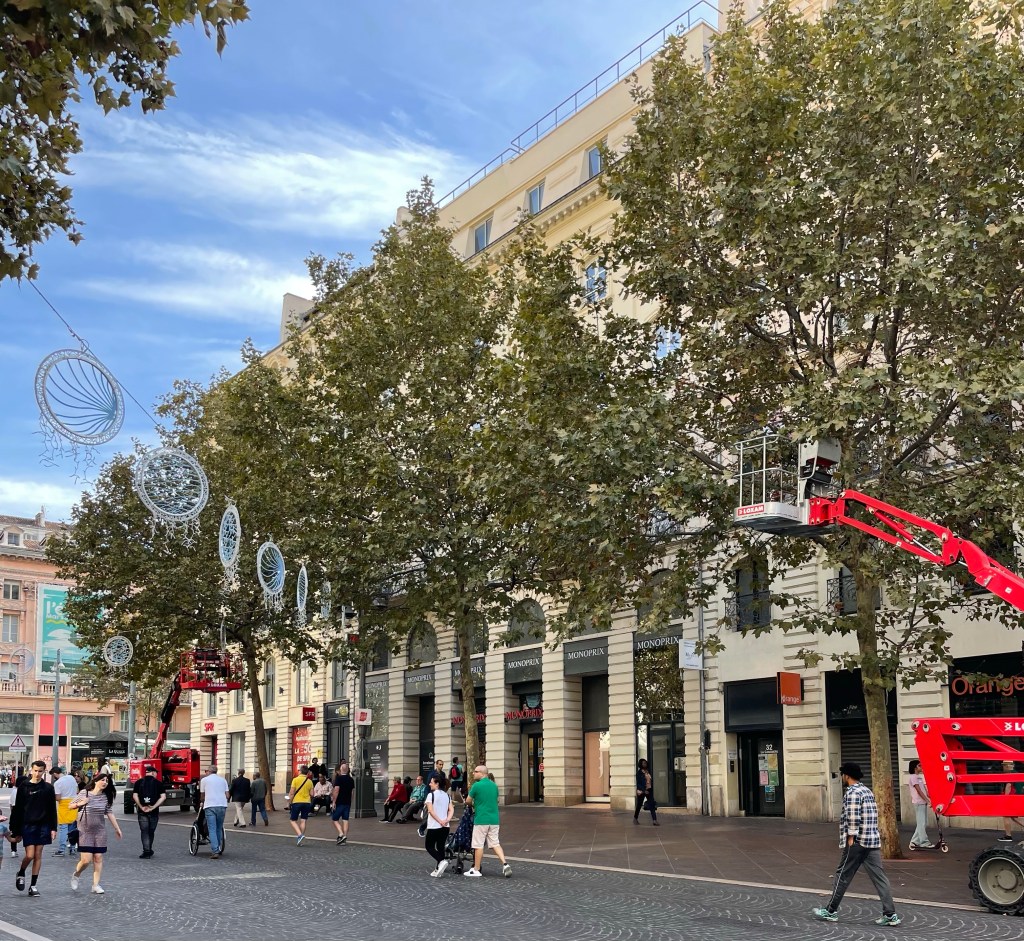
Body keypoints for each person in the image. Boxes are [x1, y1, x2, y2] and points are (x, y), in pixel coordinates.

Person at [812, 761, 900, 926]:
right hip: (872, 840)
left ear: (846, 776)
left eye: (842, 775)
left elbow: (853, 817)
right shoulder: (867, 790)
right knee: (880, 878)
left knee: (842, 875)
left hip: (858, 841)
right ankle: (890, 914)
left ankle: (831, 910)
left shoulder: (852, 792)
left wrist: (850, 838)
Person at [9, 760, 57, 896]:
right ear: (31, 770)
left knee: (38, 855)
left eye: (40, 771)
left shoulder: (48, 788)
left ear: (44, 771)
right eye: (35, 770)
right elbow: (18, 809)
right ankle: (21, 872)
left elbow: (52, 809)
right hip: (28, 824)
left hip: (43, 825)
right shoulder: (24, 786)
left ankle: (33, 886)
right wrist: (15, 830)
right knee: (29, 855)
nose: (37, 773)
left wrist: (53, 828)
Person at [69, 771, 122, 894]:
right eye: (102, 780)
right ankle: (77, 874)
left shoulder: (105, 797)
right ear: (96, 781)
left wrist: (117, 828)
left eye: (107, 781)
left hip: (100, 831)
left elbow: (109, 812)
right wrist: (81, 803)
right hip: (85, 831)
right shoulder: (85, 792)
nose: (105, 782)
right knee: (86, 860)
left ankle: (95, 885)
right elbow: (70, 806)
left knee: (98, 858)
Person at [464, 763, 512, 878]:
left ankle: (476, 869)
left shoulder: (476, 786)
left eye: (476, 771)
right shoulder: (494, 786)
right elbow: (496, 800)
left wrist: (474, 804)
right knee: (495, 843)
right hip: (494, 819)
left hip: (481, 819)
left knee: (478, 845)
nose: (473, 773)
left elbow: (468, 801)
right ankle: (505, 864)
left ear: (482, 773)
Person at [132, 764, 167, 858]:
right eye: (156, 773)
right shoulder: (158, 783)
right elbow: (163, 797)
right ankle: (149, 849)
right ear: (153, 773)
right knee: (151, 831)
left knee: (144, 831)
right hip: (153, 811)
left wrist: (141, 806)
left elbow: (135, 796)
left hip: (142, 810)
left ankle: (147, 851)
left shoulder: (138, 782)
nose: (156, 774)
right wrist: (153, 807)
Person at [424, 772, 453, 877]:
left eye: (431, 782)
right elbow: (451, 810)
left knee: (429, 846)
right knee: (440, 847)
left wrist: (440, 821)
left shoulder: (430, 795)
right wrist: (446, 820)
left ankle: (441, 861)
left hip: (434, 826)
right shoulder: (447, 796)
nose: (429, 784)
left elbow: (431, 811)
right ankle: (438, 869)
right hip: (445, 826)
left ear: (437, 784)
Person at [199, 764, 229, 859]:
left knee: (212, 828)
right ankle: (218, 848)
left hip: (210, 806)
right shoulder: (223, 780)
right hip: (222, 805)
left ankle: (215, 851)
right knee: (219, 828)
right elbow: (227, 795)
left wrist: (202, 801)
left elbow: (202, 795)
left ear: (209, 771)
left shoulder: (204, 780)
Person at [905, 759, 933, 849]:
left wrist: (930, 797)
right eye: (919, 765)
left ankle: (914, 842)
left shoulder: (919, 777)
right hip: (918, 802)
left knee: (923, 823)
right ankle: (924, 842)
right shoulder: (913, 777)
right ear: (915, 768)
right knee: (922, 823)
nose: (921, 767)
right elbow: (919, 791)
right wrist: (928, 801)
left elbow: (924, 790)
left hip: (922, 802)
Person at [51, 766, 78, 857]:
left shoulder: (57, 783)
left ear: (55, 774)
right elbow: (77, 790)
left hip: (63, 805)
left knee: (63, 828)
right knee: (72, 828)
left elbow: (58, 798)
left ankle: (61, 850)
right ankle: (72, 848)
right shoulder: (71, 778)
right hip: (74, 803)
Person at [286, 765, 314, 845]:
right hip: (307, 802)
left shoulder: (295, 780)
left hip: (297, 802)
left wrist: (289, 802)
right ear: (307, 772)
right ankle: (300, 838)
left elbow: (291, 792)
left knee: (293, 820)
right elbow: (312, 794)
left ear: (300, 771)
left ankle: (299, 835)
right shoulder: (310, 781)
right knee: (303, 820)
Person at [330, 762, 355, 845]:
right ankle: (345, 837)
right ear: (347, 770)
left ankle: (341, 833)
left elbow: (336, 790)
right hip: (347, 802)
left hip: (340, 802)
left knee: (335, 819)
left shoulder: (339, 779)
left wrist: (334, 801)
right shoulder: (351, 779)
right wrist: (350, 800)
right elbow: (352, 792)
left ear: (341, 770)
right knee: (345, 820)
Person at [999, 760, 1024, 842]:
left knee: (1006, 816)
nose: (1003, 767)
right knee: (1014, 817)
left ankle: (1008, 836)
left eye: (1003, 765)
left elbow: (1008, 786)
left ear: (1007, 766)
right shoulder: (1017, 773)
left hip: (1011, 798)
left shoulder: (1010, 774)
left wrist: (1005, 799)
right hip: (1017, 798)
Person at [634, 758, 658, 826]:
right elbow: (638, 784)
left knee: (652, 804)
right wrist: (644, 791)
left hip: (649, 790)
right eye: (643, 763)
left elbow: (649, 781)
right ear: (641, 764)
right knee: (639, 805)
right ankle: (635, 818)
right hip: (642, 791)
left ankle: (654, 820)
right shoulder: (639, 773)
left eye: (645, 763)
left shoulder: (648, 771)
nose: (645, 764)